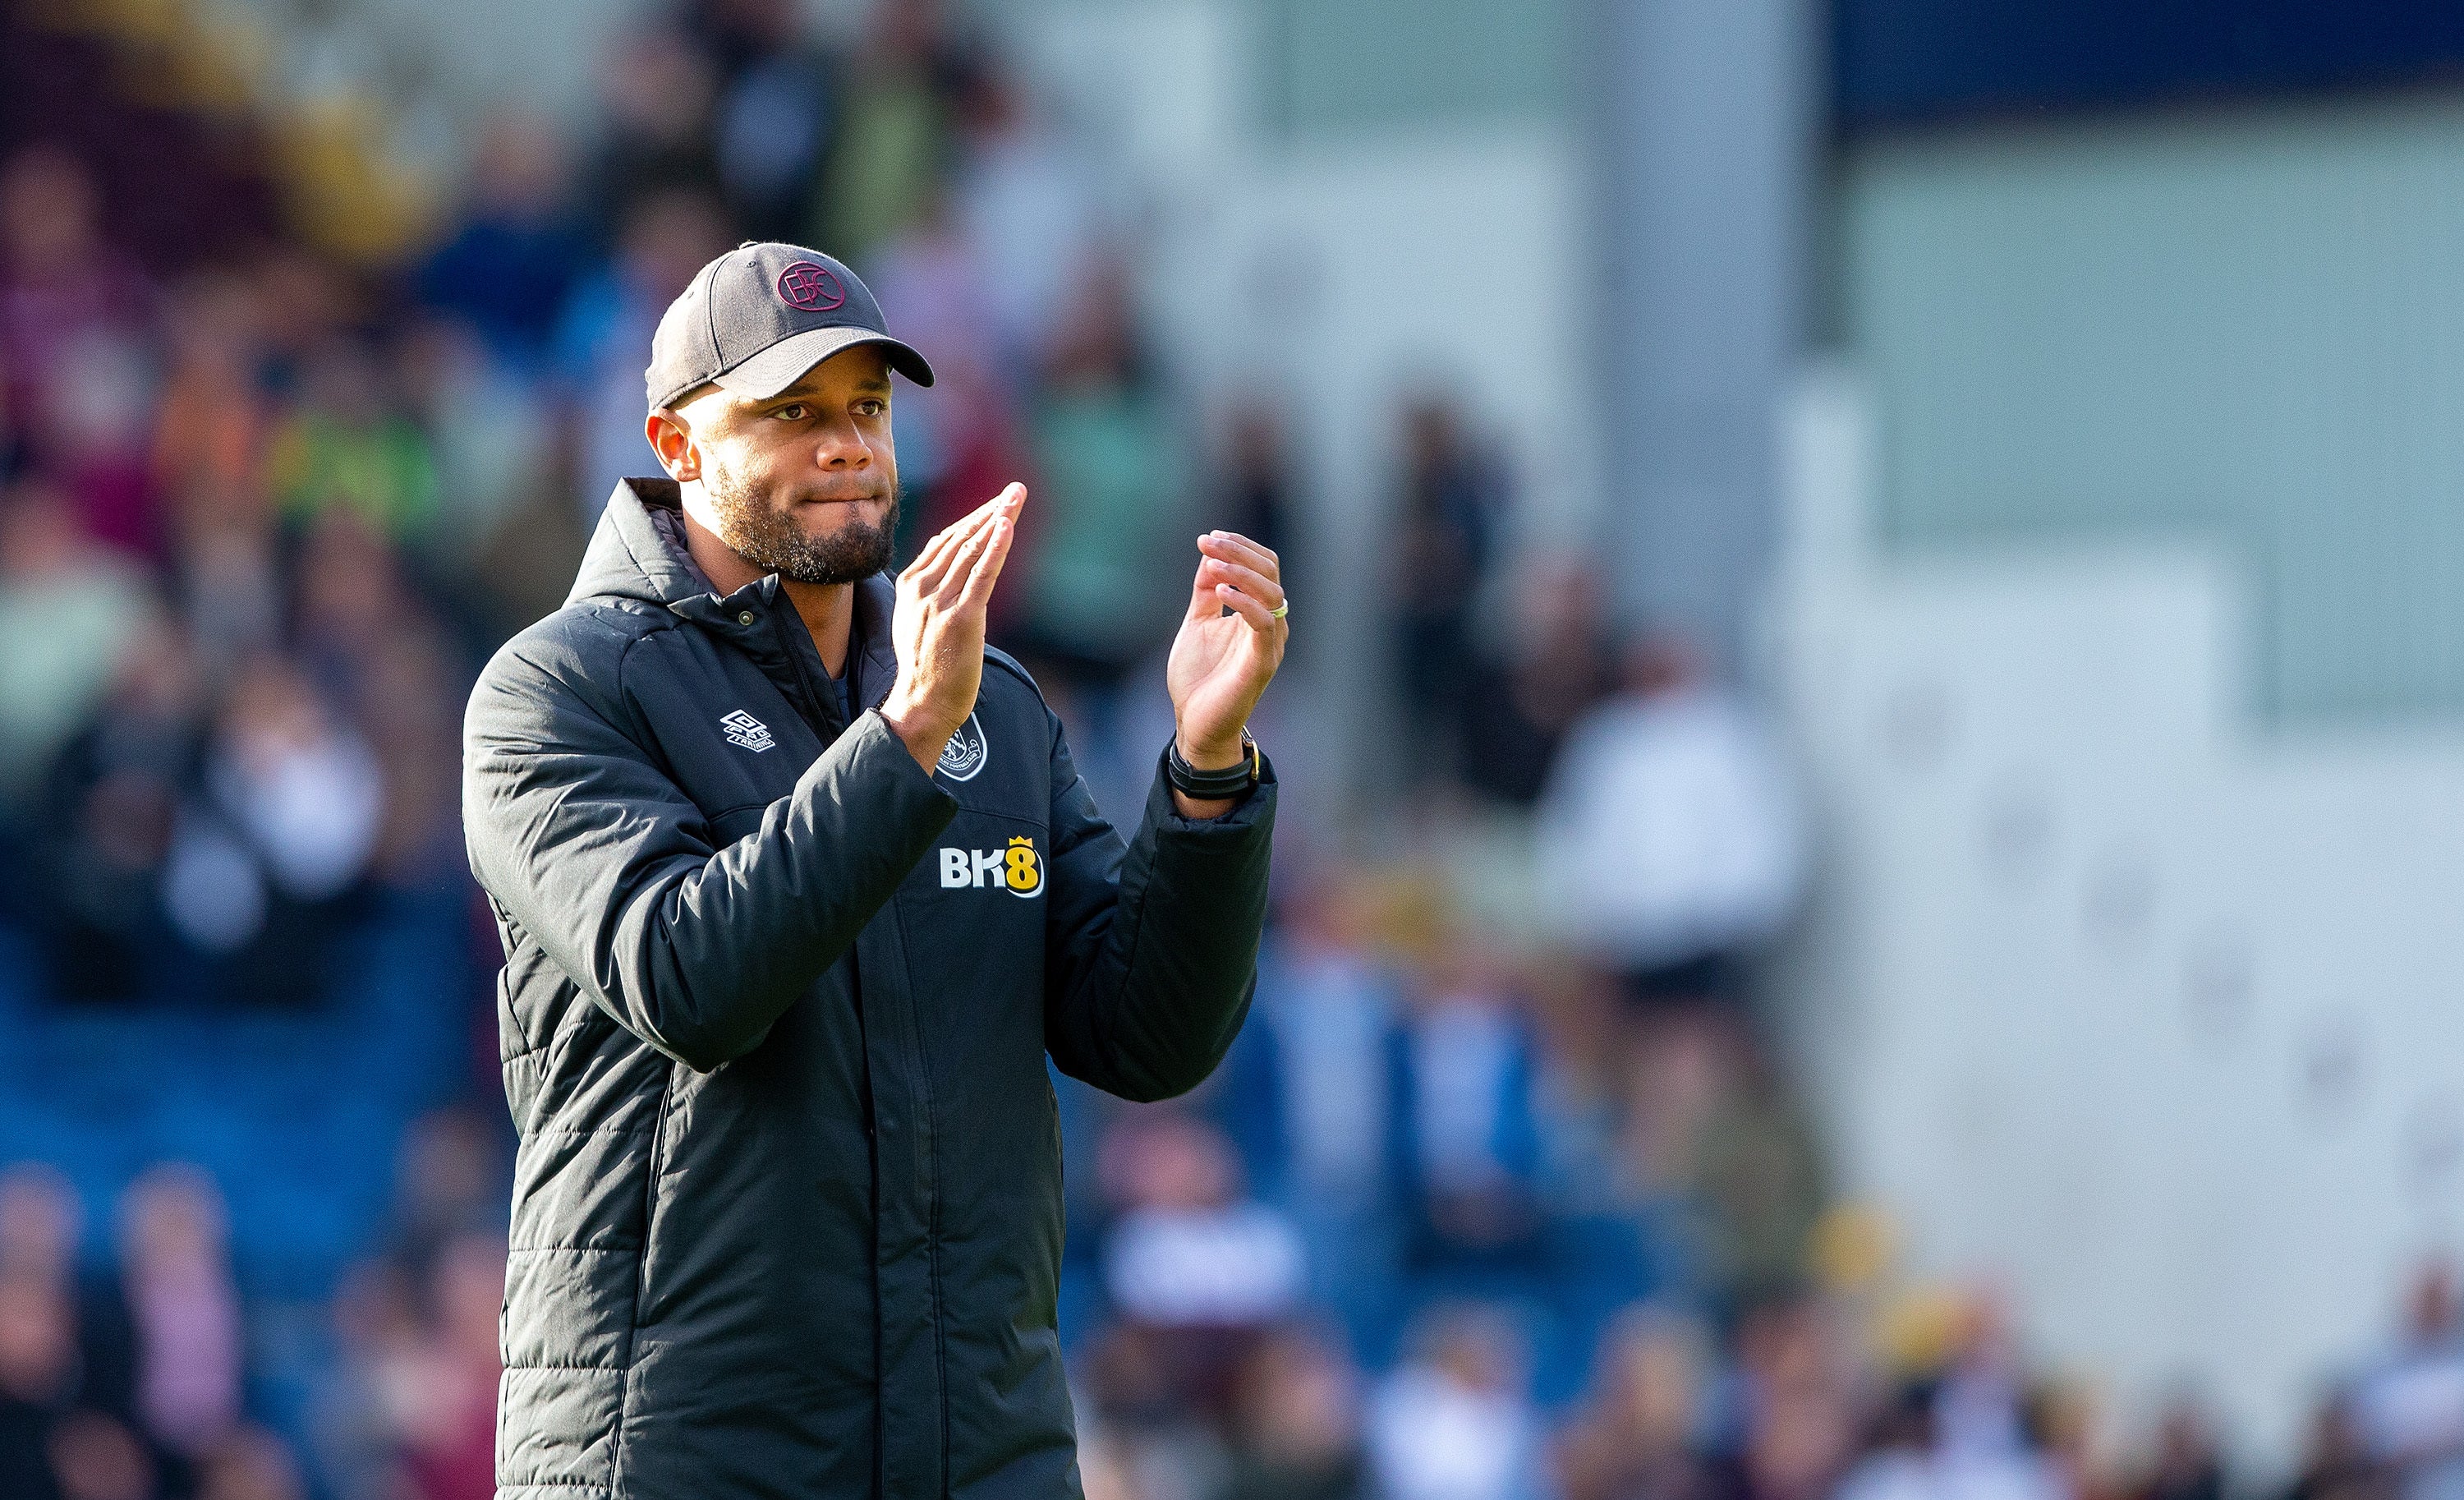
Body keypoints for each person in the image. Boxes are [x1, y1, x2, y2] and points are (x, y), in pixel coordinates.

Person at [461, 241, 1289, 1498]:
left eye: (866, 408)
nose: (845, 443)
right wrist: (903, 737)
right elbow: (691, 977)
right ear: (675, 444)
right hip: (682, 1457)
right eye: (791, 412)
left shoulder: (991, 709)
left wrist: (1207, 766)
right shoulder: (555, 690)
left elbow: (1147, 1036)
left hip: (978, 1451)